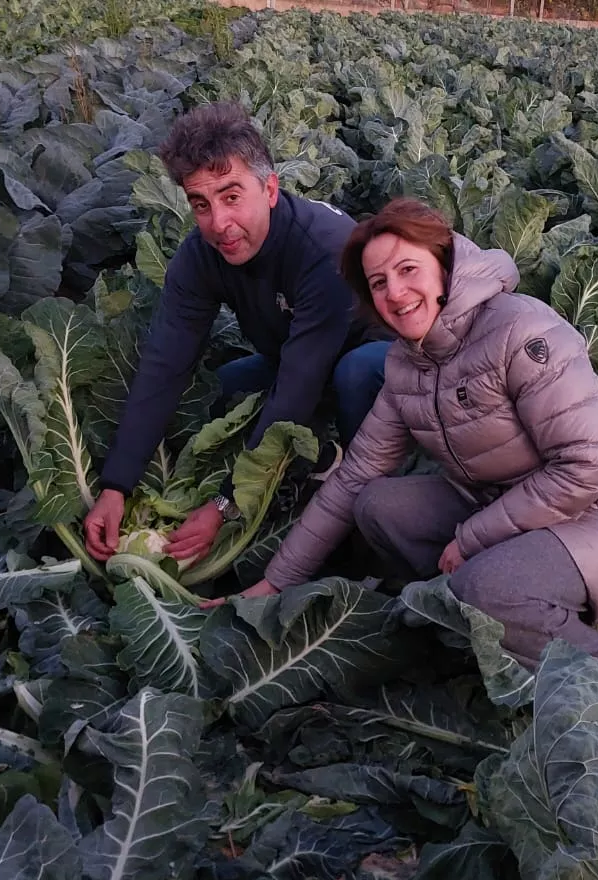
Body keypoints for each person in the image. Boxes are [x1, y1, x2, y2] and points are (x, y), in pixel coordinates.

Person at [228, 197, 598, 693]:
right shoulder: (407, 365)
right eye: (379, 283)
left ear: (444, 265)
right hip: (501, 505)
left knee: (484, 587)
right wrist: (275, 581)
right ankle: (495, 610)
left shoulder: (520, 328)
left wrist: (472, 538)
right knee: (375, 505)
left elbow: (584, 467)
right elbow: (354, 477)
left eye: (407, 269)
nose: (396, 292)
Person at [85, 102, 392, 563]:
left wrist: (226, 504)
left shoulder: (322, 250)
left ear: (269, 189)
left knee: (352, 374)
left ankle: (364, 491)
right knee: (220, 387)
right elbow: (165, 364)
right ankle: (315, 456)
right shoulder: (199, 257)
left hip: (375, 361)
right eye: (201, 205)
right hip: (293, 357)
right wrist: (116, 483)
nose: (219, 224)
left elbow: (296, 387)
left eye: (232, 197)